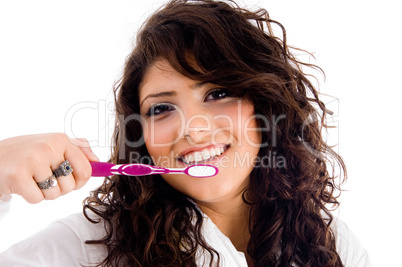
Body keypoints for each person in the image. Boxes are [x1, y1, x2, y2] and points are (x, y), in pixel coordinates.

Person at [0, 0, 372, 266]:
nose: (194, 129)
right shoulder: (85, 249)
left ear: (265, 105)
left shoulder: (334, 246)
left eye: (218, 93)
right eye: (161, 109)